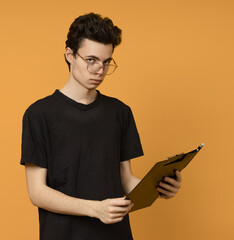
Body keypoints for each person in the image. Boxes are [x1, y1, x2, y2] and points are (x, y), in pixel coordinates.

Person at [20, 12, 182, 240]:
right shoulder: (39, 114)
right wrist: (94, 209)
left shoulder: (120, 112)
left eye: (107, 62)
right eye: (91, 60)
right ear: (70, 55)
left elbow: (125, 180)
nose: (100, 70)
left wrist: (158, 188)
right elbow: (37, 192)